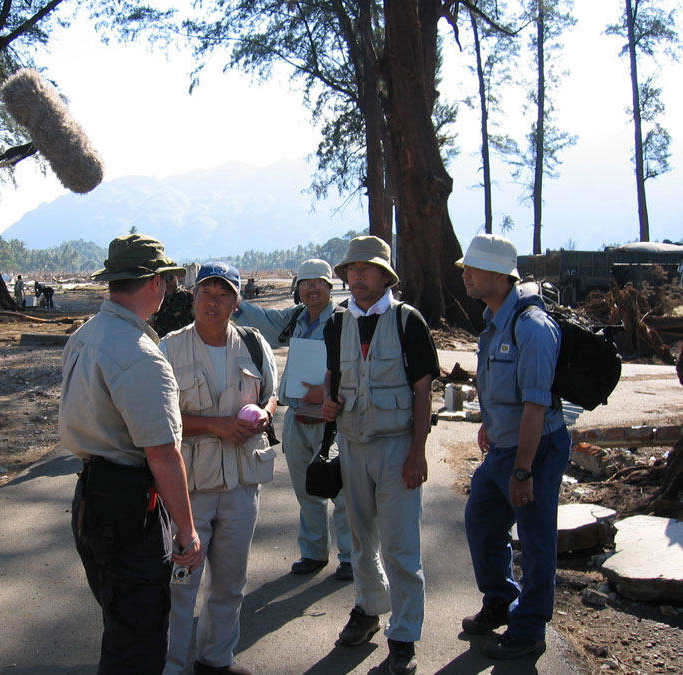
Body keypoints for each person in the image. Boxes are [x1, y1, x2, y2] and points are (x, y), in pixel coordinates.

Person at [59, 233, 202, 674]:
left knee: (121, 625)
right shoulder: (140, 354)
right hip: (129, 509)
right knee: (137, 644)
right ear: (155, 283)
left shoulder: (87, 333)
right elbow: (162, 453)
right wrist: (187, 530)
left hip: (93, 498)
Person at [321, 236, 438, 675]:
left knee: (401, 545)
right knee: (360, 540)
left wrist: (417, 453)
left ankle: (404, 633)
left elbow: (423, 390)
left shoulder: (408, 321)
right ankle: (369, 609)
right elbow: (334, 378)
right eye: (351, 269)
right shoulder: (336, 324)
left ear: (385, 276)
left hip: (396, 448)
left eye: (365, 269)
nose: (356, 275)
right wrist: (329, 404)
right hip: (352, 444)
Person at [456, 234, 571, 660]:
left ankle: (530, 626)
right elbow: (497, 386)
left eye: (472, 267)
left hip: (535, 448)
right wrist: (489, 422)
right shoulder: (493, 321)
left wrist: (523, 470)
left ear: (500, 275)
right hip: (505, 445)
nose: (464, 274)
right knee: (482, 517)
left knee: (536, 536)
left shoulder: (533, 327)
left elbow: (536, 406)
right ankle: (501, 599)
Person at [160, 262, 278, 675]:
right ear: (192, 298)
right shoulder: (169, 349)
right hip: (189, 486)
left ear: (237, 302)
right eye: (206, 293)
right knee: (180, 584)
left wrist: (264, 414)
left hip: (243, 482)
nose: (214, 301)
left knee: (229, 583)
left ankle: (215, 659)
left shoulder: (253, 343)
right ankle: (171, 665)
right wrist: (216, 425)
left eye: (223, 294)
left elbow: (271, 394)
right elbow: (157, 421)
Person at [233, 258, 353, 579]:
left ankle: (351, 557)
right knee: (307, 490)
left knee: (342, 492)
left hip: (333, 421)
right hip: (299, 419)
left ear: (330, 287)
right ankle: (314, 553)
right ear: (298, 288)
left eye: (319, 283)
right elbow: (268, 322)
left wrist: (328, 392)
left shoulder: (344, 321)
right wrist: (237, 304)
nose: (312, 289)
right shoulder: (296, 318)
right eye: (306, 283)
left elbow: (357, 369)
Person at [151, 272, 194, 338]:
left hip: (183, 341)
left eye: (170, 272)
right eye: (165, 274)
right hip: (162, 343)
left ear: (178, 277)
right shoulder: (157, 298)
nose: (168, 276)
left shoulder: (188, 297)